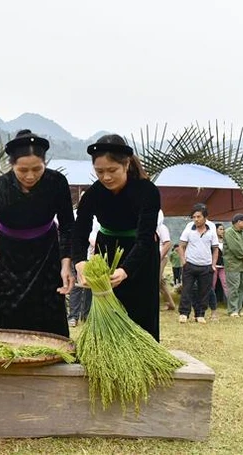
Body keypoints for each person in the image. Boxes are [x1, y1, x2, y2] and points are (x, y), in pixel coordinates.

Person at [0, 129, 74, 337]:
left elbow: (67, 226)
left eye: (37, 169)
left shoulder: (57, 183)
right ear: (12, 165)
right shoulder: (0, 188)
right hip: (8, 258)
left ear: (45, 163)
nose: (30, 176)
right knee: (7, 319)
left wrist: (66, 264)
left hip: (46, 254)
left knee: (47, 314)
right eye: (22, 170)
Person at [73, 134, 162, 341]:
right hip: (106, 251)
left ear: (127, 164)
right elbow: (80, 231)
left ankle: (144, 353)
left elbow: (145, 237)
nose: (106, 177)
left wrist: (126, 269)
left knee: (140, 311)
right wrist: (79, 262)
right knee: (107, 307)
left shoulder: (147, 191)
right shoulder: (93, 194)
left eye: (112, 171)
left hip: (141, 255)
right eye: (99, 172)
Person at [177, 203, 219, 324]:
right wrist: (183, 261)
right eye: (194, 217)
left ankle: (200, 314)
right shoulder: (189, 227)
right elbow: (181, 245)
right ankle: (184, 313)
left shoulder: (211, 228)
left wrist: (213, 265)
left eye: (198, 217)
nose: (196, 219)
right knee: (186, 289)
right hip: (190, 264)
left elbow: (215, 248)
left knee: (204, 291)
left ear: (205, 217)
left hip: (206, 265)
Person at [67, 194, 98, 328]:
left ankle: (86, 315)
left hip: (93, 256)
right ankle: (73, 316)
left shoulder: (98, 217)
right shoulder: (74, 215)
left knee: (90, 287)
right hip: (78, 257)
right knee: (76, 286)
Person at [224, 213, 243, 317]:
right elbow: (234, 248)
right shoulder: (229, 232)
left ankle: (239, 309)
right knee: (233, 288)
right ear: (239, 222)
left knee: (242, 287)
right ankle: (232, 310)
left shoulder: (242, 234)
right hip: (233, 265)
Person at [157, 210, 176, 311]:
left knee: (156, 279)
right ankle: (171, 303)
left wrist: (158, 257)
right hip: (151, 258)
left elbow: (168, 244)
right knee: (160, 281)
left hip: (161, 258)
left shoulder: (162, 228)